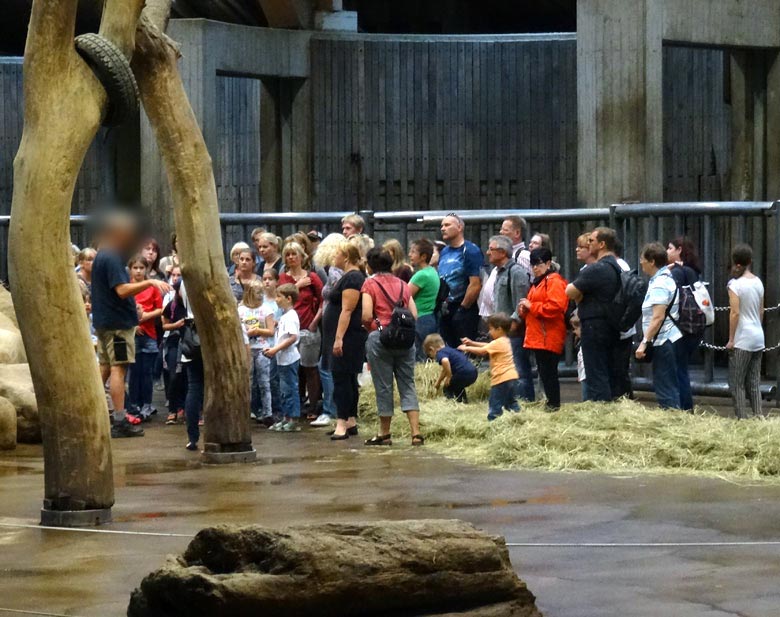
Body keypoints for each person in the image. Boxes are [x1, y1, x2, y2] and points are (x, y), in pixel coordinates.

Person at [92, 214, 170, 438]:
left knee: (105, 367)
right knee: (119, 367)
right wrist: (150, 282)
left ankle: (94, 411)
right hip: (117, 324)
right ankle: (119, 419)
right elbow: (121, 290)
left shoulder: (102, 255)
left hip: (106, 320)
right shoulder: (112, 256)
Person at [361, 248, 423, 446]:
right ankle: (415, 433)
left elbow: (366, 315)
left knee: (384, 386)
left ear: (370, 265)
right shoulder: (404, 284)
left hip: (381, 338)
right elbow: (414, 314)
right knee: (408, 384)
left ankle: (385, 433)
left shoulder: (369, 284)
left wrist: (377, 328)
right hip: (405, 340)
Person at [565, 227, 622, 402]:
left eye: (591, 241)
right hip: (610, 324)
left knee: (595, 373)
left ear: (602, 244)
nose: (588, 244)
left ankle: (600, 411)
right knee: (607, 371)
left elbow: (569, 291)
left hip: (594, 326)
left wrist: (581, 296)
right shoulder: (615, 266)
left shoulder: (597, 268)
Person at [322, 242, 367, 440]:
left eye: (336, 255)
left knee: (341, 378)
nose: (333, 259)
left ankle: (341, 422)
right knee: (347, 379)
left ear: (346, 257)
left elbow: (347, 310)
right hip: (342, 334)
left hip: (348, 336)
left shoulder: (353, 278)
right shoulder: (349, 277)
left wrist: (339, 338)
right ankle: (350, 419)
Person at [518, 248, 568, 410]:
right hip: (539, 336)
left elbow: (555, 307)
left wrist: (531, 306)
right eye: (533, 264)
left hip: (548, 336)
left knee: (549, 374)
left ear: (548, 263)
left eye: (538, 264)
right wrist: (525, 310)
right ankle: (551, 404)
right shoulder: (539, 282)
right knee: (545, 373)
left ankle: (553, 405)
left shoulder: (553, 281)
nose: (535, 268)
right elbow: (535, 309)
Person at [279, 241, 323, 420]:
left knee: (310, 368)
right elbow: (281, 297)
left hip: (308, 327)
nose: (291, 258)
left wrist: (315, 321)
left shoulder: (312, 277)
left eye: (294, 254)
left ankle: (313, 406)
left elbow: (323, 299)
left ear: (301, 256)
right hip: (290, 330)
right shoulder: (283, 278)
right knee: (293, 369)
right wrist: (298, 286)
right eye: (287, 254)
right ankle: (295, 407)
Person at [635, 243, 682, 410]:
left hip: (663, 340)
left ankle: (671, 420)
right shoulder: (665, 278)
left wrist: (644, 342)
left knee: (665, 387)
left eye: (643, 259)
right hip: (668, 338)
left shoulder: (659, 284)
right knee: (668, 384)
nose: (641, 263)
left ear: (652, 261)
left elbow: (658, 316)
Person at [486, 234, 532, 401]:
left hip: (513, 332)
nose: (488, 252)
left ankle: (524, 402)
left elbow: (521, 301)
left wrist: (513, 323)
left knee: (519, 369)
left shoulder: (516, 272)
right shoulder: (499, 272)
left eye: (491, 249)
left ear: (503, 252)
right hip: (503, 331)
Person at [311, 232, 348, 427]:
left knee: (326, 366)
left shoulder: (334, 272)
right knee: (327, 366)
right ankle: (332, 409)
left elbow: (335, 296)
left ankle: (330, 409)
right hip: (331, 320)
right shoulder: (336, 271)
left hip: (333, 321)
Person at [726, 244, 765, 419]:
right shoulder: (758, 282)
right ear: (750, 261)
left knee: (737, 382)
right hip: (758, 336)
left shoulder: (735, 285)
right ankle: (758, 415)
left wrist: (731, 339)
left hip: (743, 339)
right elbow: (761, 310)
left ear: (735, 262)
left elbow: (735, 313)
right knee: (754, 381)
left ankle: (742, 419)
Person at [458, 313, 520, 421]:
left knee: (495, 403)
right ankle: (518, 417)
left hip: (501, 378)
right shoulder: (505, 341)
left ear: (499, 329)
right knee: (511, 402)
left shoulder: (498, 343)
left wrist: (467, 348)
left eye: (491, 329)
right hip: (511, 376)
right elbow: (487, 346)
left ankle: (493, 421)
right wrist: (471, 343)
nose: (489, 332)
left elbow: (483, 351)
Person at [666, 237, 702, 412]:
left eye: (670, 248)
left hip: (679, 327)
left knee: (678, 371)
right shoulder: (693, 271)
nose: (667, 251)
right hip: (694, 327)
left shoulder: (677, 273)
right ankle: (687, 408)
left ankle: (684, 409)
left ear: (679, 250)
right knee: (682, 369)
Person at [126, 255, 164, 420]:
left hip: (149, 333)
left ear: (147, 269)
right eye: (135, 268)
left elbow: (160, 308)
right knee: (133, 372)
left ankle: (147, 405)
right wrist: (134, 325)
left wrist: (146, 316)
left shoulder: (152, 287)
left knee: (147, 372)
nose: (139, 271)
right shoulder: (127, 287)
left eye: (142, 268)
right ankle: (133, 404)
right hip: (132, 334)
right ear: (130, 269)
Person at [438, 213, 483, 348]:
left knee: (465, 350)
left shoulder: (470, 251)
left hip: (463, 308)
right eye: (441, 225)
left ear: (459, 227)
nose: (443, 228)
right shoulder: (444, 251)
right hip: (445, 307)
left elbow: (475, 284)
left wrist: (463, 309)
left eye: (447, 225)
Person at [264, 283, 302, 432]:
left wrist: (275, 349)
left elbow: (292, 337)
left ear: (289, 298)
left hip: (289, 359)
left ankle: (293, 418)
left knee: (290, 388)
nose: (276, 299)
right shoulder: (284, 316)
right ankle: (286, 417)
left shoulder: (291, 316)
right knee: (284, 389)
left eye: (279, 296)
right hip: (281, 359)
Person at [239, 280, 275, 424]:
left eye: (261, 292)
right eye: (256, 292)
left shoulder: (266, 309)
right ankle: (247, 411)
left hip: (262, 348)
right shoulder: (240, 310)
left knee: (264, 381)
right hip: (246, 348)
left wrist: (258, 330)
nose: (259, 295)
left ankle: (267, 413)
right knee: (248, 381)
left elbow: (271, 330)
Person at [162, 266, 187, 425]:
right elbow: (164, 325)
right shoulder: (171, 305)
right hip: (173, 342)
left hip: (189, 344)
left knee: (185, 376)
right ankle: (172, 408)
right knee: (173, 376)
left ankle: (183, 407)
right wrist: (177, 325)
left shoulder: (192, 305)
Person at [408, 238, 440, 362]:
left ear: (423, 256)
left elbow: (404, 296)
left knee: (418, 357)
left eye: (413, 252)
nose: (410, 255)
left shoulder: (421, 275)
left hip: (419, 318)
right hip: (429, 317)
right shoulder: (432, 272)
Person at [424, 333, 478, 403]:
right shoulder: (450, 350)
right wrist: (438, 382)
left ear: (431, 349)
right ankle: (463, 401)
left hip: (462, 373)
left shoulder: (440, 353)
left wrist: (449, 376)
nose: (432, 357)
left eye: (430, 355)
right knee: (457, 385)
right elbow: (445, 370)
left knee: (448, 387)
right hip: (473, 372)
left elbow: (445, 361)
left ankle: (452, 402)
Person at [262, 268, 283, 424]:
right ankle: (264, 409)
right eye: (265, 279)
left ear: (277, 281)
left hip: (277, 342)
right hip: (263, 342)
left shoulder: (280, 301)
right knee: (263, 378)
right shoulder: (260, 301)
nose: (267, 282)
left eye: (270, 279)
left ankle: (278, 409)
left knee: (275, 378)